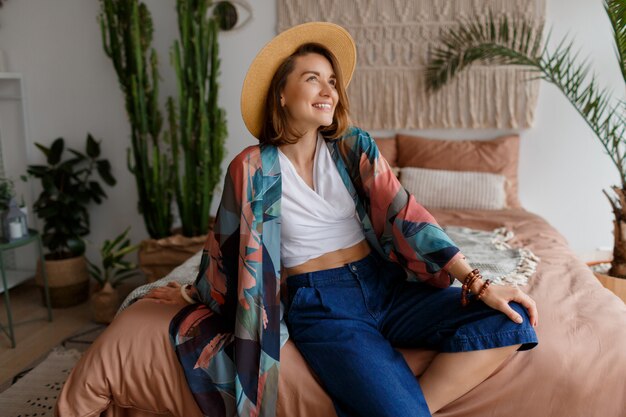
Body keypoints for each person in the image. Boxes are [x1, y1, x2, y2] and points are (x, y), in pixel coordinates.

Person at [145, 21, 539, 417]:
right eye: (312, 79)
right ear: (281, 94)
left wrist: (477, 282)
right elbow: (226, 248)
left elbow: (406, 216)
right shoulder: (252, 168)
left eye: (332, 81)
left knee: (511, 319)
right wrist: (190, 295)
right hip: (320, 304)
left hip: (383, 284)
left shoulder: (353, 147)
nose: (328, 90)